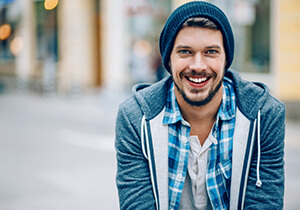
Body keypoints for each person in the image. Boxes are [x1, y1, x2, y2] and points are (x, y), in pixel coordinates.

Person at [115, 1, 285, 210]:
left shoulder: (264, 115)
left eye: (211, 52)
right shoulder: (134, 118)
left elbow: (264, 204)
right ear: (169, 59)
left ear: (226, 59)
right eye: (185, 52)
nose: (198, 66)